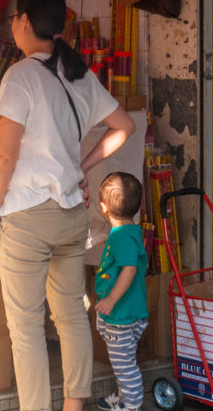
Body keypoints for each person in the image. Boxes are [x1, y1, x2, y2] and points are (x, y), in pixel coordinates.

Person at [0, 0, 135, 411]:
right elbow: (124, 127)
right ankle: (74, 406)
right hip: (70, 214)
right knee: (69, 317)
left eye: (14, 17)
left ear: (25, 21)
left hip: (27, 217)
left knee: (26, 327)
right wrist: (80, 169)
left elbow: (5, 154)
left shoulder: (21, 76)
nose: (13, 24)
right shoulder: (79, 74)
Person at [93, 172, 148, 411]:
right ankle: (125, 395)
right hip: (122, 314)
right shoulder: (129, 232)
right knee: (121, 360)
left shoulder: (123, 238)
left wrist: (112, 299)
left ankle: (131, 404)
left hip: (122, 315)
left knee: (124, 364)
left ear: (103, 207)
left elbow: (129, 270)